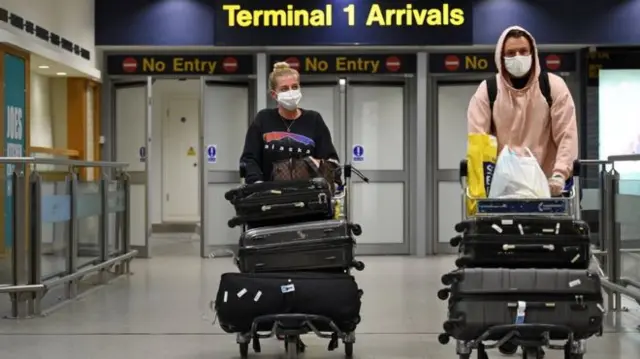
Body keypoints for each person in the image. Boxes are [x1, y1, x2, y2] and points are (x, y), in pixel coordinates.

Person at [467, 25, 579, 197]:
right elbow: (478, 142)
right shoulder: (488, 90)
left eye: (523, 51)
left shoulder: (552, 87)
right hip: (503, 189)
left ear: (532, 54)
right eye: (511, 53)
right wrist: (481, 186)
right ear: (501, 57)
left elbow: (567, 135)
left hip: (548, 187)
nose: (517, 57)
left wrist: (559, 174)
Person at [239, 61, 339, 184]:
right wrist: (257, 184)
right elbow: (249, 158)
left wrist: (318, 165)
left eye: (295, 87)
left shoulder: (314, 119)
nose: (291, 92)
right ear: (274, 94)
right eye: (284, 89)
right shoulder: (263, 119)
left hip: (307, 195)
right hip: (270, 195)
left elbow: (331, 161)